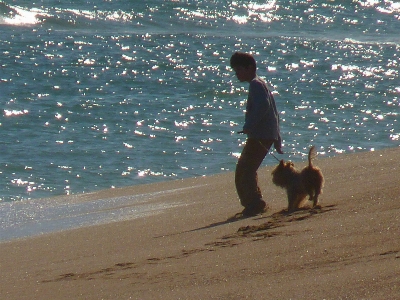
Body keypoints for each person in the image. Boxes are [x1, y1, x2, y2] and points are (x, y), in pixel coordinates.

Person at [230, 52, 283, 216]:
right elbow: (274, 112)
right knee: (246, 169)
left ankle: (254, 204)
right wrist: (277, 137)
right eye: (235, 70)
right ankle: (253, 203)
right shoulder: (260, 83)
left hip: (260, 135)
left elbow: (264, 106)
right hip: (266, 134)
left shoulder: (255, 84)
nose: (236, 74)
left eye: (239, 70)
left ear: (250, 68)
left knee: (244, 170)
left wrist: (249, 125)